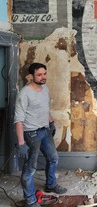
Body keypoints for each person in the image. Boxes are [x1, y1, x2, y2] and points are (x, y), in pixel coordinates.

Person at [14, 63, 67, 207]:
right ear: (31, 76)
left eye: (44, 74)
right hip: (31, 134)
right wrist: (21, 143)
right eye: (39, 75)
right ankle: (30, 199)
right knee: (31, 167)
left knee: (53, 158)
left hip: (45, 130)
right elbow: (18, 120)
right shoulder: (24, 94)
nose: (43, 77)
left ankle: (50, 185)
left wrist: (51, 122)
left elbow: (44, 109)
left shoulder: (45, 89)